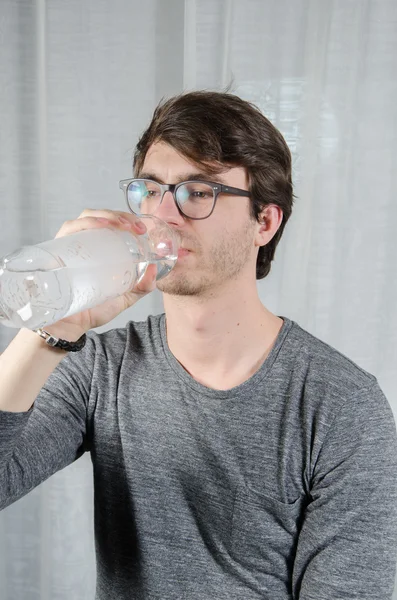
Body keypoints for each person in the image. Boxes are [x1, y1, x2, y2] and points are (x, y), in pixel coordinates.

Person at [0, 90, 396, 600]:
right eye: (150, 190)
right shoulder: (102, 367)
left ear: (265, 222)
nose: (162, 214)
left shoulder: (341, 404)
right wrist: (51, 331)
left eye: (197, 191)